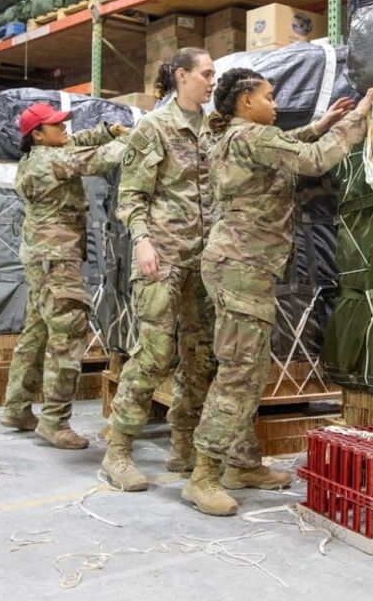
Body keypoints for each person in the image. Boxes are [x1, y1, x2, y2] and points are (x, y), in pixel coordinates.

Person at [183, 70, 373, 516]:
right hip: (243, 267)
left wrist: (322, 122)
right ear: (246, 101)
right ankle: (203, 475)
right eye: (269, 97)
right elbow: (312, 160)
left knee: (246, 367)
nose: (275, 104)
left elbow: (286, 148)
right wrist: (358, 119)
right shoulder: (253, 135)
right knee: (240, 372)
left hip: (238, 265)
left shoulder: (236, 136)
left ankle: (243, 464)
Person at [101, 47, 220, 491]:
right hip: (162, 257)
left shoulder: (212, 128)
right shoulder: (153, 128)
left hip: (202, 261)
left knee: (199, 356)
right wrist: (143, 241)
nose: (212, 81)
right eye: (206, 74)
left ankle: (183, 447)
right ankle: (118, 452)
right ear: (182, 76)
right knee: (153, 355)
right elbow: (129, 197)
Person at [0, 103, 129, 449]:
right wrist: (139, 140)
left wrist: (106, 131)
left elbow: (79, 143)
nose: (65, 129)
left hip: (41, 258)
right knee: (69, 333)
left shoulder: (40, 155)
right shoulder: (50, 160)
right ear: (37, 135)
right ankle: (54, 421)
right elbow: (96, 161)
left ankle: (16, 407)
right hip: (57, 260)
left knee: (37, 332)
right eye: (56, 126)